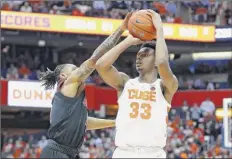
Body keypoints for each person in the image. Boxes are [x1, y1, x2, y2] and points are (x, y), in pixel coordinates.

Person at [39, 12, 134, 159]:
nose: (78, 70)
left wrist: (116, 122)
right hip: (56, 152)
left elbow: (85, 123)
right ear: (63, 76)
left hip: (68, 153)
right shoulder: (69, 84)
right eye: (74, 69)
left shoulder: (72, 98)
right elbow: (94, 59)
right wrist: (122, 30)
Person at [96, 10, 178, 158]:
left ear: (154, 62)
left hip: (153, 153)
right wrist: (128, 40)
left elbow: (161, 61)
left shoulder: (166, 86)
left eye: (145, 55)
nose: (139, 58)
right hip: (124, 153)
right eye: (138, 55)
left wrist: (159, 30)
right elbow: (101, 65)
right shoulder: (125, 83)